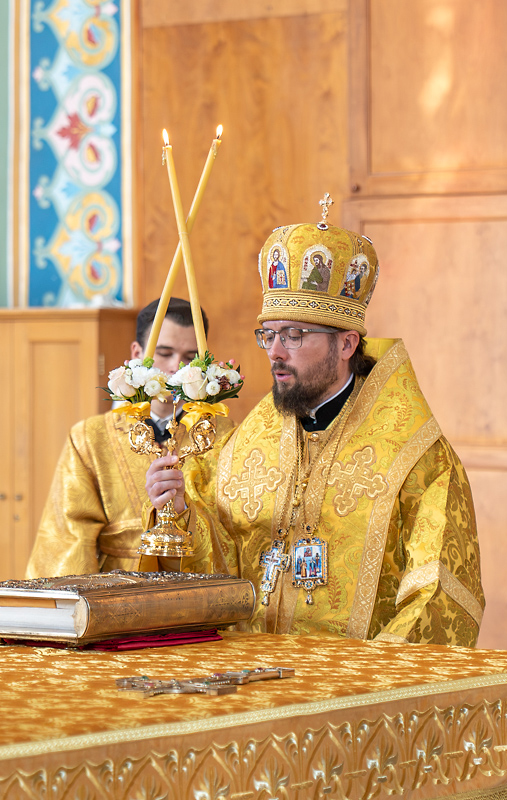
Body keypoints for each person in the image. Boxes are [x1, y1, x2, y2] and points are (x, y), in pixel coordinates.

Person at [144, 214, 485, 646]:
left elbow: (437, 592)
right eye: (268, 335)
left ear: (346, 344)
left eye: (295, 335)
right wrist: (182, 514)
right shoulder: (242, 447)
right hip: (251, 681)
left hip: (355, 695)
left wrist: (365, 685)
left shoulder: (419, 459)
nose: (275, 352)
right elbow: (221, 570)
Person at [26, 297, 234, 578]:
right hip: (115, 602)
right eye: (164, 352)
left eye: (190, 358)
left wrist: (185, 513)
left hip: (198, 598)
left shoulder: (226, 437)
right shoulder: (90, 437)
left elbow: (235, 538)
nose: (176, 368)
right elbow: (67, 545)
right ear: (137, 353)